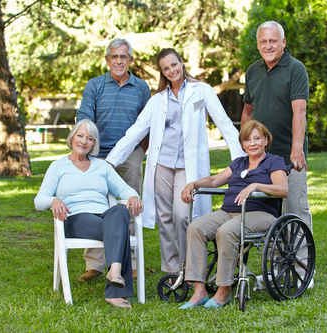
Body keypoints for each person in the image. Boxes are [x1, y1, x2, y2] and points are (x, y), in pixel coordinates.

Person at [106, 48, 246, 274]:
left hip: (187, 167)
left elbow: (224, 123)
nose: (171, 70)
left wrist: (241, 159)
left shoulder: (202, 91)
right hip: (161, 165)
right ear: (162, 73)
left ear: (181, 62)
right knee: (165, 217)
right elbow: (136, 131)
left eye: (174, 64)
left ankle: (189, 267)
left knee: (183, 215)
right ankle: (172, 271)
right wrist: (111, 161)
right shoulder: (158, 100)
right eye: (165, 68)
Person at [34, 119, 144, 309]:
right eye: (80, 136)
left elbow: (125, 190)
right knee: (120, 230)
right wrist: (54, 200)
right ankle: (116, 290)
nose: (84, 141)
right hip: (75, 218)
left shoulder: (102, 166)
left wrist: (133, 197)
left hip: (104, 217)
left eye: (90, 138)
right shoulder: (58, 166)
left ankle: (114, 270)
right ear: (72, 137)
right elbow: (39, 200)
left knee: (119, 210)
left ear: (94, 143)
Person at [178, 120, 288, 309]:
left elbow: (282, 189)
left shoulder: (274, 161)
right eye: (247, 140)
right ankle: (199, 292)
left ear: (266, 140)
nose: (252, 144)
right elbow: (214, 180)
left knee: (227, 231)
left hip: (260, 214)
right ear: (242, 144)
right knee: (196, 227)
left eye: (257, 138)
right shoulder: (239, 163)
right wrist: (193, 184)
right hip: (228, 212)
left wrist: (256, 186)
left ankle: (224, 291)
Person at [76, 38, 151, 282]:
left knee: (130, 205)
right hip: (98, 154)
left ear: (130, 60)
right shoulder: (94, 85)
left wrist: (139, 152)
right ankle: (95, 264)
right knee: (95, 204)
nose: (118, 61)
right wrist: (88, 152)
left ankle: (132, 261)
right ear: (107, 60)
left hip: (129, 155)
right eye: (114, 57)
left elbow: (147, 125)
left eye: (123, 57)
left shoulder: (141, 87)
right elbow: (84, 119)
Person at [241, 21, 312, 233]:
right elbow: (247, 112)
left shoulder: (296, 69)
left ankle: (302, 265)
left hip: (289, 154)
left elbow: (300, 111)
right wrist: (244, 146)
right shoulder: (252, 71)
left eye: (273, 41)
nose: (268, 46)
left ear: (283, 42)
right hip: (261, 156)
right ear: (257, 44)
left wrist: (297, 149)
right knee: (265, 210)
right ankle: (276, 263)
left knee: (295, 209)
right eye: (263, 41)